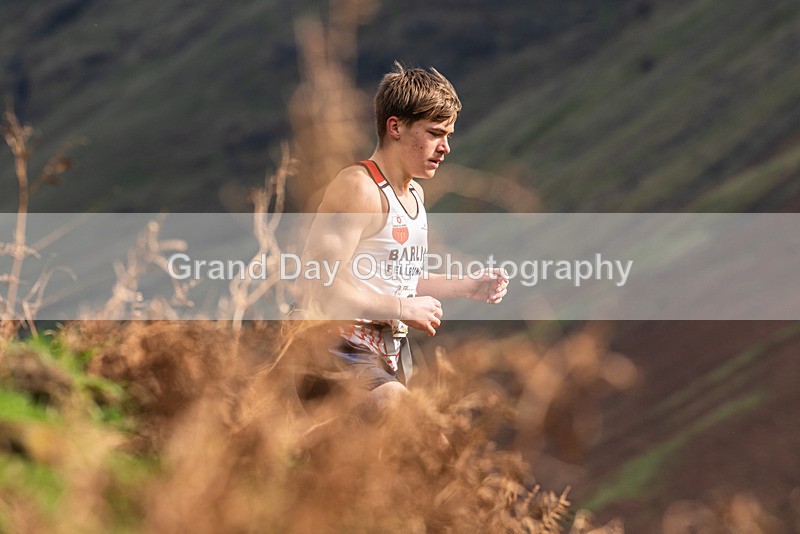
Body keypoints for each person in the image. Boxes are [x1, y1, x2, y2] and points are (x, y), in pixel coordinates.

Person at [298, 62, 508, 418]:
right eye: (435, 133)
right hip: (334, 350)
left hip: (385, 357)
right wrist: (402, 309)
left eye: (449, 136)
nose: (446, 148)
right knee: (423, 436)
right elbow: (318, 287)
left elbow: (394, 281)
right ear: (395, 126)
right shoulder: (358, 188)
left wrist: (465, 286)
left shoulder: (414, 197)